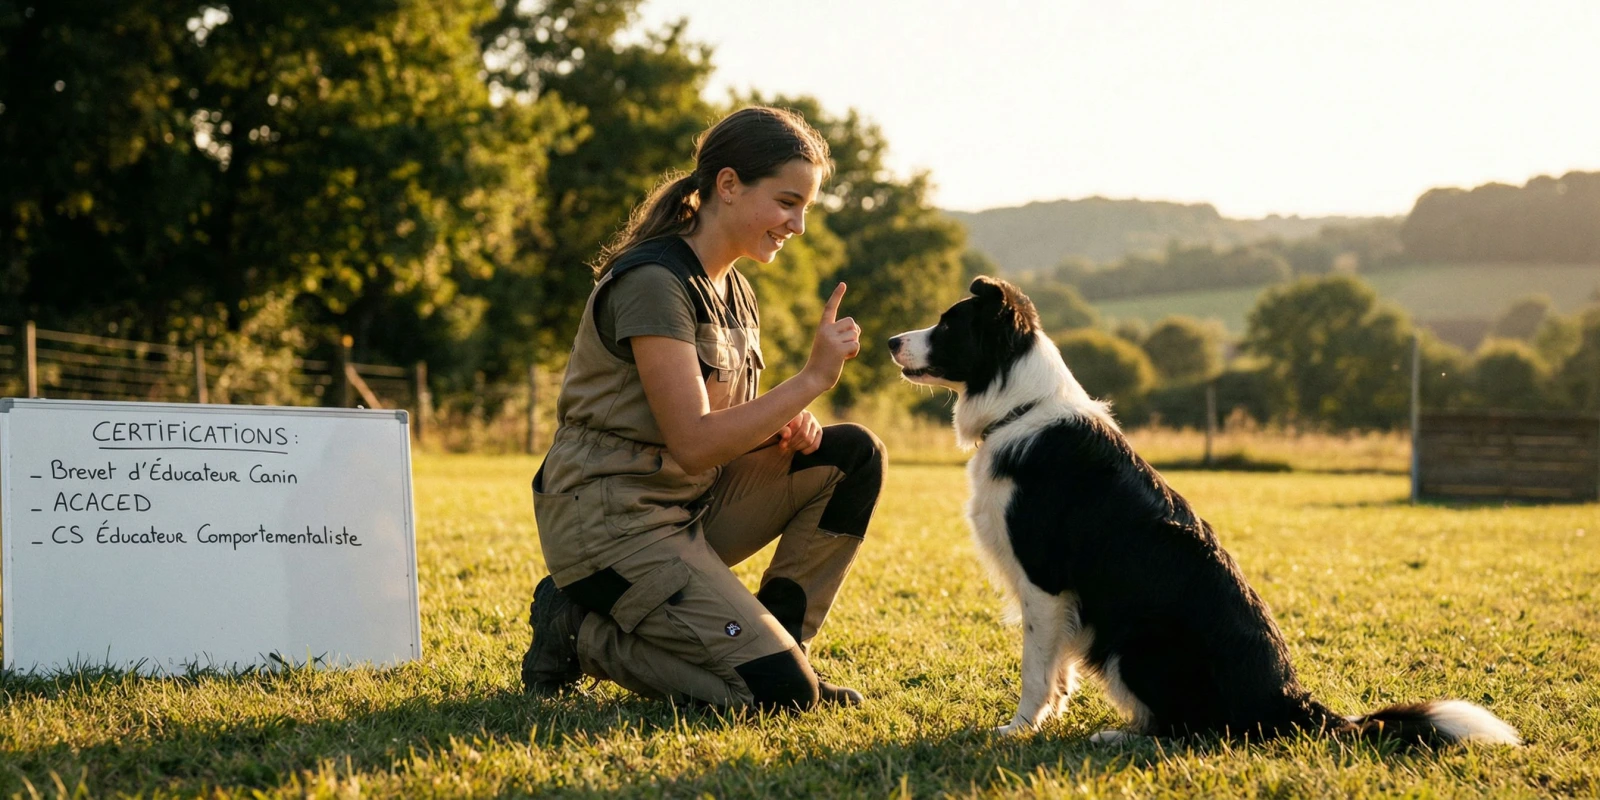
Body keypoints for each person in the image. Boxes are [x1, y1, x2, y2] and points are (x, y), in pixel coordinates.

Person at [521, 106, 886, 711]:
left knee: (852, 455)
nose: (797, 224)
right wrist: (812, 379)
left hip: (689, 507)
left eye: (806, 209)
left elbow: (720, 431)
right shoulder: (653, 281)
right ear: (728, 185)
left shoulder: (737, 291)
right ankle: (577, 632)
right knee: (780, 700)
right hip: (611, 524)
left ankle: (782, 649)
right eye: (787, 202)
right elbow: (692, 440)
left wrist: (784, 430)